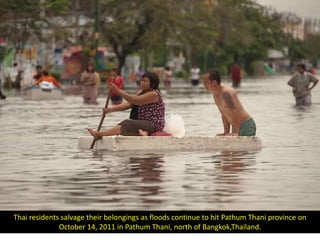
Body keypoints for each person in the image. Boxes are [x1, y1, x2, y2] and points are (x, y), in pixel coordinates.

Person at [87, 71, 165, 139]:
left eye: (145, 81)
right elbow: (129, 104)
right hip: (143, 122)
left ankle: (99, 135)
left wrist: (117, 90)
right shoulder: (141, 92)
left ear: (153, 84)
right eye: (142, 80)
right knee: (125, 131)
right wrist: (111, 109)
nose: (142, 83)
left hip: (153, 124)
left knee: (127, 124)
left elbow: (134, 100)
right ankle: (143, 133)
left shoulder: (154, 94)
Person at [203, 69, 256, 136]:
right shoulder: (216, 96)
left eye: (206, 82)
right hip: (237, 126)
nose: (204, 85)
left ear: (214, 82)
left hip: (245, 125)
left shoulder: (226, 93)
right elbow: (224, 114)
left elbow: (234, 111)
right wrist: (226, 132)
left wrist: (236, 131)